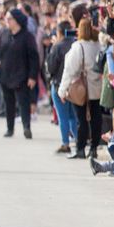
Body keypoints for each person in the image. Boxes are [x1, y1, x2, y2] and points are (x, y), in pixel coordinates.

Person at [0, 9, 39, 139]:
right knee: (8, 103)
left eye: (9, 18)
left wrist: (32, 76)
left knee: (23, 103)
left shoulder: (27, 36)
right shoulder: (4, 33)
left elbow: (34, 57)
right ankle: (9, 128)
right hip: (5, 73)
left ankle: (26, 127)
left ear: (17, 20)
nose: (7, 21)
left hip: (21, 75)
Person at [58, 19, 103, 159]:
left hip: (81, 88)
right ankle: (94, 147)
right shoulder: (99, 45)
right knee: (96, 118)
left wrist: (62, 89)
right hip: (97, 88)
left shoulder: (78, 46)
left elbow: (69, 70)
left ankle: (80, 148)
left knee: (81, 120)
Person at [46, 21, 78, 153]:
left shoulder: (57, 47)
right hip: (75, 85)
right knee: (73, 115)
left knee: (62, 115)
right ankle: (77, 139)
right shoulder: (76, 44)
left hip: (59, 84)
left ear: (59, 32)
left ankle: (65, 142)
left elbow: (51, 68)